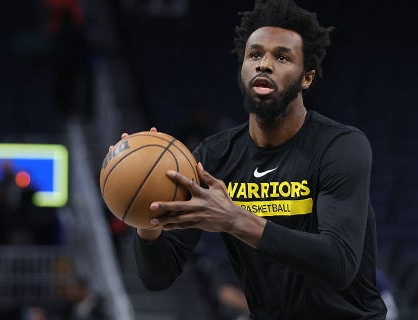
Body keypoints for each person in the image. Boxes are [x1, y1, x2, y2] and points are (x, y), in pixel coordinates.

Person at [126, 0, 387, 318]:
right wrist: (144, 209)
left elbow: (339, 262)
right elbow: (158, 276)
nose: (264, 64)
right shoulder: (214, 155)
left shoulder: (340, 146)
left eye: (282, 57)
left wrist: (235, 219)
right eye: (255, 54)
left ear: (306, 78)